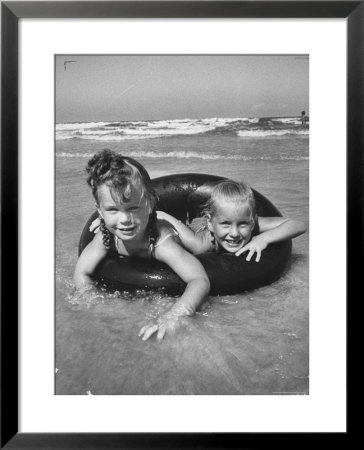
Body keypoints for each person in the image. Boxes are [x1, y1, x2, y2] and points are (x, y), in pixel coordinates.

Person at [74, 149, 210, 341]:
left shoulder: (161, 243)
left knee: (201, 247)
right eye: (113, 209)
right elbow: (81, 271)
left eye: (133, 208)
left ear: (150, 202)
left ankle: (205, 224)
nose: (125, 220)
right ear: (100, 212)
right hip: (149, 217)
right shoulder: (105, 236)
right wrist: (89, 297)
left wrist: (174, 315)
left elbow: (199, 280)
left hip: (163, 226)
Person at [157, 180, 306, 262]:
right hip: (195, 229)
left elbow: (299, 225)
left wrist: (264, 238)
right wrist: (161, 215)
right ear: (210, 223)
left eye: (242, 224)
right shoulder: (200, 245)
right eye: (226, 224)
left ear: (252, 221)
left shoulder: (253, 224)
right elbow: (171, 221)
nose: (234, 233)